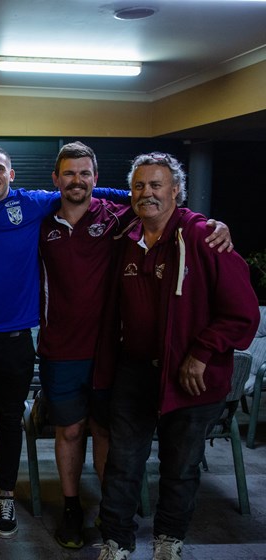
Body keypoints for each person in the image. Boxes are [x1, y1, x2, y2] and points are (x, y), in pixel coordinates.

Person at [38, 142, 233, 549]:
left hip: (114, 354)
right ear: (55, 180)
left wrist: (213, 224)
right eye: (69, 174)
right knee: (73, 433)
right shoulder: (41, 220)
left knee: (113, 438)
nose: (77, 181)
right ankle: (80, 513)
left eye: (85, 173)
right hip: (67, 349)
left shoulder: (120, 219)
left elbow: (162, 209)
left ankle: (134, 526)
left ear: (96, 178)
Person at [0, 146, 127, 538]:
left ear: (12, 175)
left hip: (16, 337)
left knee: (11, 419)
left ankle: (6, 495)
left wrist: (150, 198)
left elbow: (94, 190)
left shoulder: (33, 202)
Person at [94, 153, 259, 560]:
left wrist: (201, 353)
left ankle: (169, 540)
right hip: (134, 371)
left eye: (156, 185)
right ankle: (116, 541)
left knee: (181, 467)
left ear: (175, 190)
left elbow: (243, 314)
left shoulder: (205, 238)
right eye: (139, 186)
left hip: (191, 376)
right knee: (122, 462)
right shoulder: (125, 239)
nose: (146, 193)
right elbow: (75, 191)